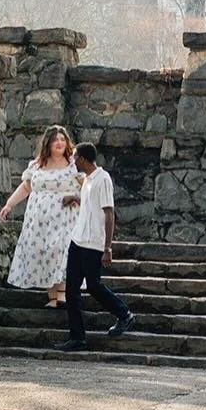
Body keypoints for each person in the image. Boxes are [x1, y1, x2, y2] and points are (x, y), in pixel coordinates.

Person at [58, 143, 135, 350]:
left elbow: (108, 212)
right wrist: (74, 198)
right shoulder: (87, 181)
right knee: (71, 290)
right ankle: (77, 337)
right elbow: (89, 203)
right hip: (78, 240)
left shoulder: (103, 179)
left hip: (93, 243)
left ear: (83, 158)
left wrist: (107, 247)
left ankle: (124, 313)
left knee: (93, 285)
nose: (72, 160)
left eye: (75, 157)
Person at [0, 125, 77, 307]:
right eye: (56, 139)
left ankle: (62, 295)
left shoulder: (74, 165)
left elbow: (86, 187)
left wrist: (76, 198)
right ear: (48, 143)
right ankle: (52, 297)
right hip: (39, 221)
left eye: (63, 139)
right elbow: (26, 187)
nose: (60, 143)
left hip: (64, 218)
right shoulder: (37, 165)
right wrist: (9, 204)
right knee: (44, 252)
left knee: (61, 250)